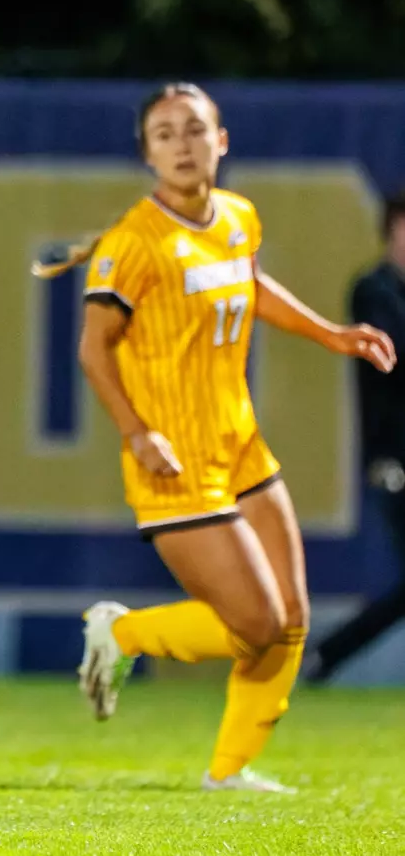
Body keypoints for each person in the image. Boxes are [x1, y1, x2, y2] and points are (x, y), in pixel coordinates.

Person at [42, 83, 395, 791]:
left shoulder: (237, 216)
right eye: (165, 134)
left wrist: (331, 334)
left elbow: (250, 283)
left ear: (221, 142)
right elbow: (93, 347)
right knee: (258, 624)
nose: (182, 144)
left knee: (291, 618)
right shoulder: (134, 242)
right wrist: (137, 433)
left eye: (194, 129)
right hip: (173, 459)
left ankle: (229, 773)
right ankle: (125, 635)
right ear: (147, 154)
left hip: (239, 444)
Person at [307, 192, 405, 682]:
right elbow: (393, 359)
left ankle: (325, 657)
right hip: (395, 458)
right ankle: (325, 656)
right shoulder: (375, 290)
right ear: (390, 232)